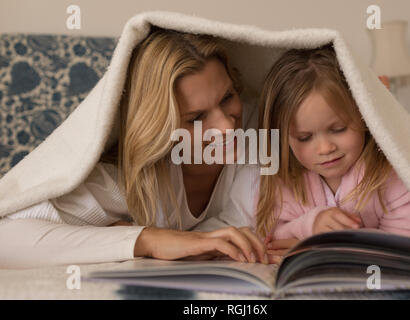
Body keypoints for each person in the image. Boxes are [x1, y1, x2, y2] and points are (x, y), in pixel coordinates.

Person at [0, 28, 268, 269]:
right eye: (196, 119)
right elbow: (7, 239)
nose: (227, 127)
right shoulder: (132, 180)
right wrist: (147, 240)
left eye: (227, 97)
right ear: (159, 127)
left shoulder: (263, 128)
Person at [218, 45, 410, 263]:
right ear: (283, 138)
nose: (325, 149)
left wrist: (340, 245)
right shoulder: (285, 183)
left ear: (363, 115)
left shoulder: (391, 174)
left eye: (338, 129)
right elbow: (274, 236)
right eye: (304, 137)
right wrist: (310, 226)